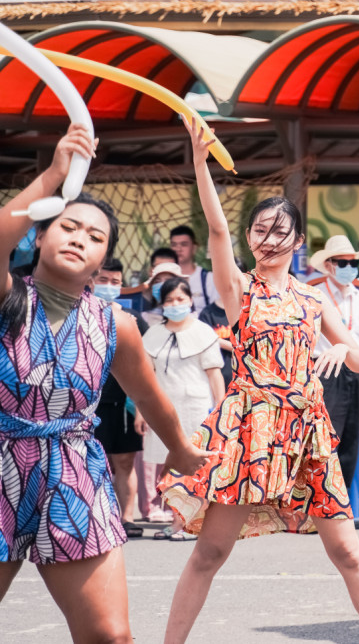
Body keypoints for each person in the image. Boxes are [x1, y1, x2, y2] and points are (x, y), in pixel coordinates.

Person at [159, 120, 359, 644]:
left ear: (297, 240)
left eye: (279, 230)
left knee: (348, 550)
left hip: (307, 430)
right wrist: (200, 164)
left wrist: (339, 346)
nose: (268, 238)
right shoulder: (239, 290)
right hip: (251, 431)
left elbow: (358, 359)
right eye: (260, 229)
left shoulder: (313, 299)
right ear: (250, 237)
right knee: (211, 552)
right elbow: (217, 232)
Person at [0, 123, 210, 642]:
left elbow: (147, 394)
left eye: (95, 237)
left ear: (104, 260)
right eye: (68, 227)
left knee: (110, 637)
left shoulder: (114, 323)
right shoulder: (8, 295)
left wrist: (183, 452)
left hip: (72, 474)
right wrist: (52, 175)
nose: (79, 239)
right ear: (42, 233)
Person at [135, 275, 226, 540]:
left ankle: (190, 522)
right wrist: (141, 413)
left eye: (181, 299)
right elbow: (146, 378)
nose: (176, 304)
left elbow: (214, 374)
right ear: (162, 304)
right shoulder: (153, 334)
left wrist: (220, 410)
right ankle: (177, 520)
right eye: (170, 300)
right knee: (169, 467)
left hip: (195, 409)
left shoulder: (202, 332)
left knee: (190, 466)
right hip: (162, 410)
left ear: (190, 300)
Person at [310, 235, 359, 505]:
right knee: (324, 440)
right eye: (343, 262)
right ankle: (317, 505)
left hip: (355, 371)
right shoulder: (316, 295)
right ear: (329, 265)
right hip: (325, 369)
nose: (349, 266)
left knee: (350, 440)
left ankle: (340, 507)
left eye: (353, 261)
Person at [90, 259, 148, 538]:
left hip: (124, 403)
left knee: (125, 462)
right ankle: (97, 517)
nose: (110, 287)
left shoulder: (133, 320)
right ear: (91, 280)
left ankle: (127, 518)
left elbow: (147, 366)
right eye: (104, 281)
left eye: (115, 282)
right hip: (90, 405)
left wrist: (140, 409)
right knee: (93, 463)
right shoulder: (78, 314)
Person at [169, 224, 219, 316]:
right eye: (174, 245)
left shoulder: (208, 278)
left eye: (184, 244)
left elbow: (216, 312)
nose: (178, 249)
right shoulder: (165, 277)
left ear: (194, 248)